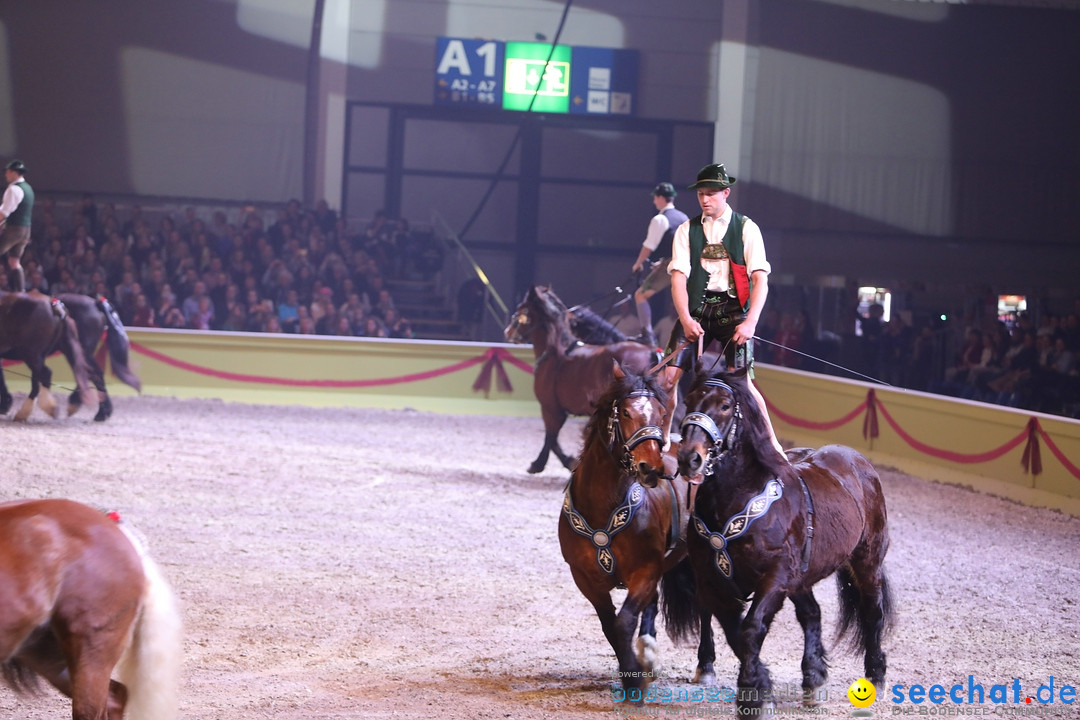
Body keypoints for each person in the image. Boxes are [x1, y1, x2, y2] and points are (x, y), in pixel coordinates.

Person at [663, 162, 785, 458]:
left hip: (733, 312)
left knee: (744, 383)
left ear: (726, 193)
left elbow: (760, 279)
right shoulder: (685, 230)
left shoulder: (746, 228)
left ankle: (772, 445)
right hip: (696, 310)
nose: (705, 199)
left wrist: (750, 322)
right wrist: (685, 319)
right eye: (701, 194)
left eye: (711, 194)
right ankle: (664, 438)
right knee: (668, 377)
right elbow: (678, 278)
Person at [631, 182, 688, 347]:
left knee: (640, 295)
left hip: (672, 264)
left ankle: (646, 334)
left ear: (661, 197)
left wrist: (638, 264)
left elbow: (649, 246)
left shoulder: (660, 219)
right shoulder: (683, 218)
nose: (655, 202)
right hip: (686, 264)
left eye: (655, 198)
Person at [0, 159, 35, 291]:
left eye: (8, 172)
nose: (6, 175)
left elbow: (4, 212)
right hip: (26, 230)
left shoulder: (14, 189)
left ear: (15, 172)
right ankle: (20, 291)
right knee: (14, 262)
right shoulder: (28, 189)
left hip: (14, 230)